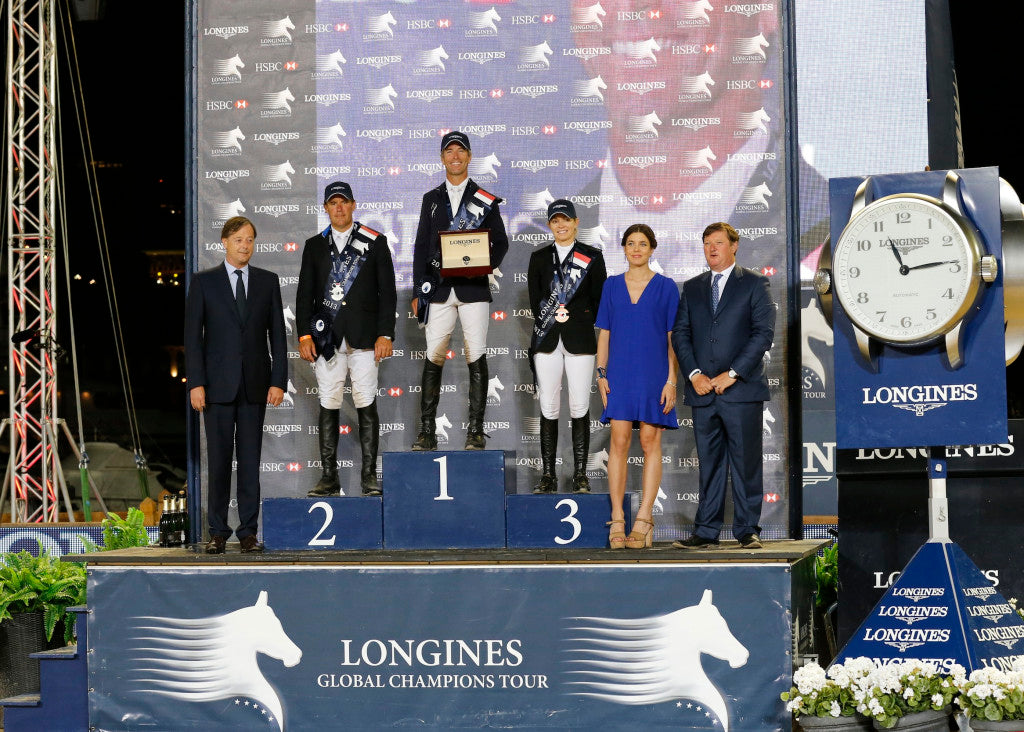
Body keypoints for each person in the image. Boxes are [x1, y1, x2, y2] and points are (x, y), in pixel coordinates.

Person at [185, 216, 287, 554]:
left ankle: (247, 532)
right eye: (240, 240)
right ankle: (217, 531)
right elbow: (192, 339)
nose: (246, 246)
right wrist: (196, 383)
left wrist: (278, 381)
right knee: (218, 462)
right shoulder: (204, 282)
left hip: (255, 386)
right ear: (225, 243)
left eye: (250, 240)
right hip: (215, 388)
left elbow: (278, 336)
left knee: (249, 462)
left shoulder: (267, 281)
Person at [671, 222, 775, 550]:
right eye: (706, 244)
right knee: (710, 464)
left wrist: (732, 374)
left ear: (734, 246)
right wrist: (694, 374)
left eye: (718, 242)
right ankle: (706, 531)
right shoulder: (693, 287)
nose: (712, 248)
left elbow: (763, 334)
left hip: (741, 391)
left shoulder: (756, 284)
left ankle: (747, 531)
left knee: (746, 463)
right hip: (702, 392)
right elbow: (682, 334)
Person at [295, 181, 396, 497]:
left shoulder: (375, 242)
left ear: (353, 205)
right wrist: (303, 335)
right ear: (325, 208)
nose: (338, 208)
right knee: (329, 403)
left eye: (344, 202)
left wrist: (385, 334)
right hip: (327, 339)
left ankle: (368, 477)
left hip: (365, 337)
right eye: (333, 203)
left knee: (366, 402)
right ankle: (329, 477)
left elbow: (387, 292)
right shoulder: (314, 245)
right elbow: (304, 296)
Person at [411, 130, 509, 450]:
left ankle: (475, 431)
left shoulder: (484, 199)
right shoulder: (430, 199)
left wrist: (482, 264)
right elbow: (421, 247)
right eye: (449, 151)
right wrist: (417, 290)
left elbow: (501, 242)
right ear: (442, 158)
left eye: (460, 151)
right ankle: (427, 432)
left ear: (469, 157)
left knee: (475, 355)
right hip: (437, 290)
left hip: (473, 289)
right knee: (433, 357)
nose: (455, 156)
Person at [595, 224, 679, 549]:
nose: (637, 249)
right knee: (617, 441)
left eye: (643, 244)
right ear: (624, 249)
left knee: (648, 440)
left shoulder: (667, 287)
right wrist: (601, 373)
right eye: (631, 243)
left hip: (654, 372)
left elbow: (674, 339)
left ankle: (644, 518)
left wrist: (672, 380)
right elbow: (604, 333)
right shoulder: (611, 286)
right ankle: (617, 516)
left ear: (652, 249)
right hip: (619, 373)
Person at [527, 199, 607, 493]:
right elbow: (536, 301)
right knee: (548, 404)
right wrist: (553, 316)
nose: (560, 225)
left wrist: (578, 317)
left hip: (581, 339)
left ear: (576, 222)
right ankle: (548, 474)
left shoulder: (592, 257)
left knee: (579, 405)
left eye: (565, 220)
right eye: (555, 221)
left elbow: (600, 301)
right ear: (550, 225)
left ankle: (581, 475)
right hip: (547, 339)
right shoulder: (538, 258)